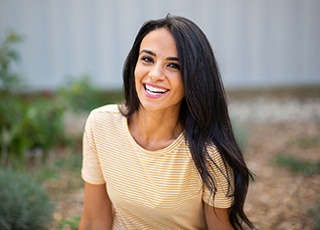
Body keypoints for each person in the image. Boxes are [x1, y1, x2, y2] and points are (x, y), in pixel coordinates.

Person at [79, 15, 255, 230]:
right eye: (147, 59)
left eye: (173, 65)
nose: (155, 75)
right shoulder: (101, 125)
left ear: (194, 78)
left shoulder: (208, 153)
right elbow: (93, 221)